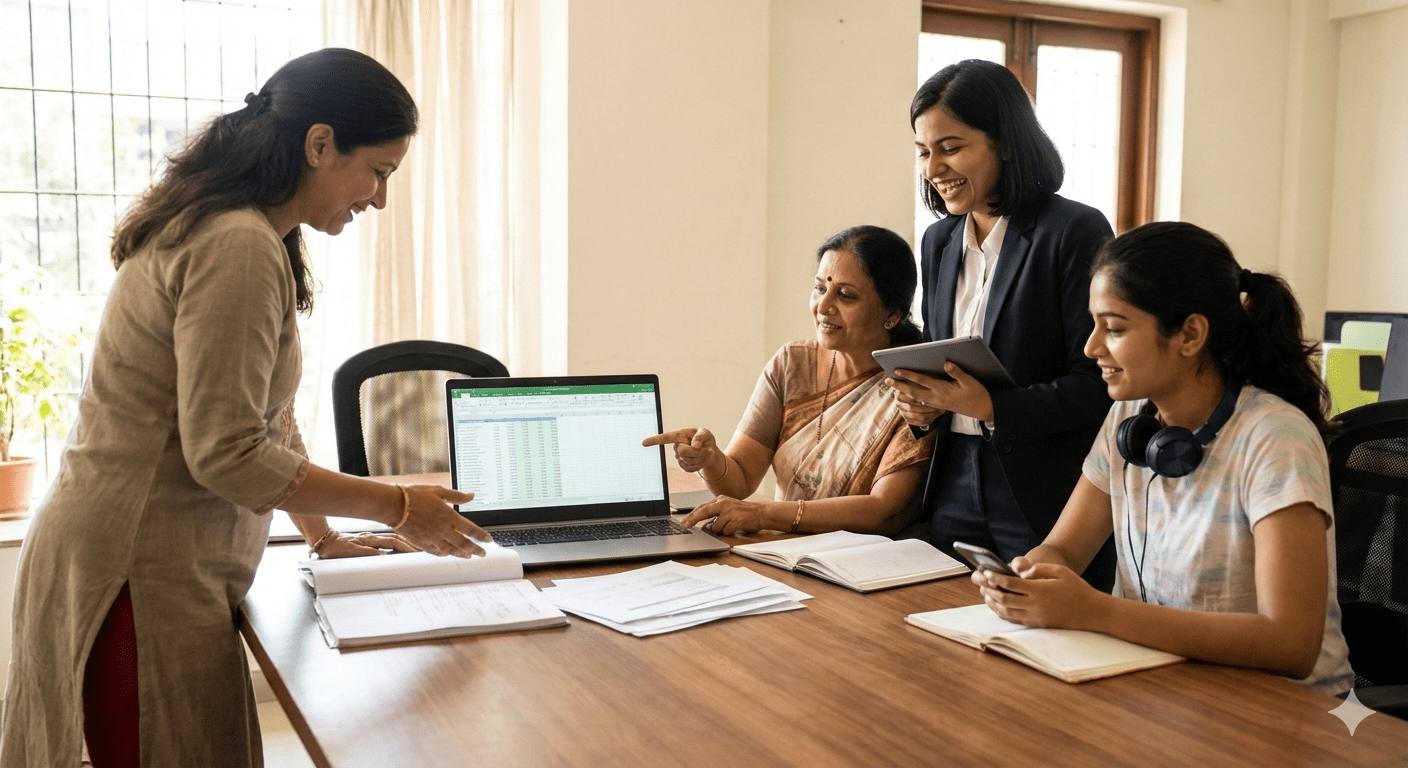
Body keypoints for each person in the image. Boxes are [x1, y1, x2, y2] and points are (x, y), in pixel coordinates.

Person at [1, 49, 493, 768]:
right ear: (320, 144)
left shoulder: (252, 232)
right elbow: (227, 451)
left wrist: (322, 537)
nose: (380, 198)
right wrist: (397, 506)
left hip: (154, 568)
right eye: (379, 171)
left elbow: (269, 417)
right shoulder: (236, 244)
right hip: (135, 574)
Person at [974, 221, 1354, 695]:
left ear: (1190, 334)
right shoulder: (1129, 421)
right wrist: (1030, 578)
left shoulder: (1275, 439)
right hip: (1164, 686)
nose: (1091, 348)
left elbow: (1290, 645)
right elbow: (1066, 549)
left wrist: (1094, 610)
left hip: (1282, 711)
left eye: (1112, 328)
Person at [887, 59, 1116, 588]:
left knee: (1040, 643)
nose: (932, 167)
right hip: (954, 479)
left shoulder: (1073, 231)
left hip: (1044, 490)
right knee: (945, 635)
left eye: (951, 147)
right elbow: (942, 359)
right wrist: (923, 402)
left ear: (1006, 142)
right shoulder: (938, 242)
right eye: (923, 151)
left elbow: (1097, 385)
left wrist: (991, 406)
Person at [644, 225, 934, 536]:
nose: (823, 307)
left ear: (892, 314)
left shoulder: (915, 387)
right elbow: (739, 480)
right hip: (784, 554)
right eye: (820, 288)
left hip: (867, 566)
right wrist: (710, 460)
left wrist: (763, 515)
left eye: (845, 295)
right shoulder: (792, 364)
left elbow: (883, 510)